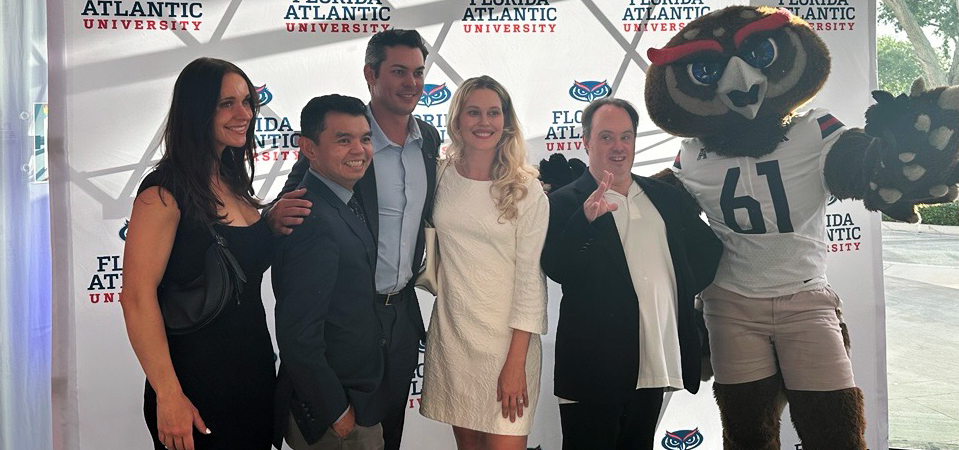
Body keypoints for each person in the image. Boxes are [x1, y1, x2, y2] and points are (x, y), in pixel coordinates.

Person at [269, 29, 441, 450]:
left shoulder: (429, 140)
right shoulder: (339, 137)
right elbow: (303, 194)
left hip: (401, 317)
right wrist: (270, 218)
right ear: (370, 74)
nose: (411, 83)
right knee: (344, 435)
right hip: (347, 321)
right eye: (398, 71)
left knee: (386, 438)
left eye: (418, 72)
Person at [540, 98, 723, 450]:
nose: (618, 147)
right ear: (585, 142)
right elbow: (558, 267)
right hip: (593, 368)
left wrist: (676, 291)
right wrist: (586, 222)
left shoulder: (664, 196)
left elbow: (709, 249)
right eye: (606, 137)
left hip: (655, 361)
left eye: (626, 137)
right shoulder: (564, 201)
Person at [121, 57, 276, 450]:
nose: (243, 114)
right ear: (197, 110)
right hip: (194, 389)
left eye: (247, 102)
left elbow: (241, 261)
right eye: (227, 103)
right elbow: (137, 299)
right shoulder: (163, 191)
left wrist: (273, 221)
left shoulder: (233, 179)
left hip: (254, 380)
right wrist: (169, 395)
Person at [420, 76, 549, 450]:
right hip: (454, 337)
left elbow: (529, 281)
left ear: (506, 122)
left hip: (508, 347)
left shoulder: (526, 190)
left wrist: (515, 365)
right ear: (457, 119)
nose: (484, 121)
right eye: (473, 112)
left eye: (494, 113)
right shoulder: (440, 175)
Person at [272, 95, 389, 450]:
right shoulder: (310, 217)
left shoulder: (344, 199)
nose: (359, 149)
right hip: (334, 419)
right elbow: (298, 336)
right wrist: (337, 413)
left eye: (365, 138)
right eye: (343, 139)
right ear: (308, 147)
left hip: (358, 399)